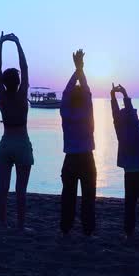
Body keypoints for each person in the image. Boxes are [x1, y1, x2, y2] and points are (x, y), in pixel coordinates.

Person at [0, 32, 33, 231]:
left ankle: (2, 224)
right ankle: (20, 226)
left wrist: (0, 43)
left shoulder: (1, 96)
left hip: (6, 143)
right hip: (22, 143)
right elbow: (25, 68)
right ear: (17, 82)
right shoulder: (22, 94)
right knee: (21, 191)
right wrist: (17, 42)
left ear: (3, 82)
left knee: (3, 189)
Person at [59, 49, 97, 236]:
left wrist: (77, 69)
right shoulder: (87, 110)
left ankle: (66, 227)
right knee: (88, 196)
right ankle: (87, 229)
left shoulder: (65, 113)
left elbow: (67, 91)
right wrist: (80, 68)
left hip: (71, 159)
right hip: (87, 158)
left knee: (68, 195)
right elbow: (86, 90)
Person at [110, 83, 139, 239]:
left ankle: (129, 233)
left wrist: (112, 96)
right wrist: (124, 93)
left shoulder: (119, 129)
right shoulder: (135, 125)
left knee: (130, 203)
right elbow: (126, 110)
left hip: (129, 171)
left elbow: (115, 112)